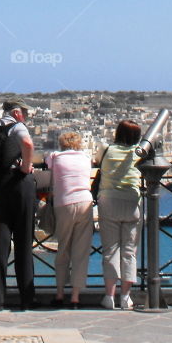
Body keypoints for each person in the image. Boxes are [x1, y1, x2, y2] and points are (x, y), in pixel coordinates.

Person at [0, 100, 36, 311]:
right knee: (23, 242)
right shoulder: (17, 126)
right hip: (19, 184)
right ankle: (26, 298)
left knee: (1, 243)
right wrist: (26, 167)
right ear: (16, 112)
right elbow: (27, 144)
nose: (25, 116)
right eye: (24, 112)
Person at [96, 119, 143, 311]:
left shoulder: (105, 149)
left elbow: (98, 164)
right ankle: (126, 297)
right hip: (132, 202)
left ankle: (109, 296)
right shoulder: (138, 153)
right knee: (129, 251)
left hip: (108, 202)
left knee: (110, 251)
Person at [46, 130, 94, 307]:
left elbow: (47, 162)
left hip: (64, 204)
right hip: (85, 202)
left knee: (63, 248)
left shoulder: (56, 157)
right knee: (81, 252)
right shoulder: (86, 157)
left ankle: (59, 294)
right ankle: (75, 296)